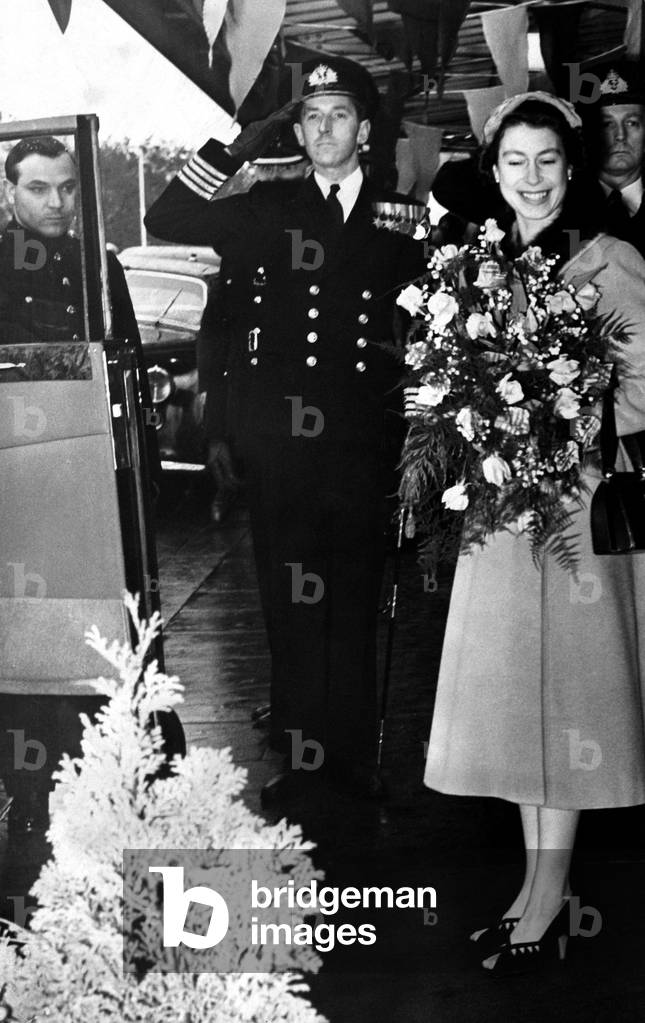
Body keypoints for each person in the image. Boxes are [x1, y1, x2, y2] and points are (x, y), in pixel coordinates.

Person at [145, 56, 425, 801]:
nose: (322, 128)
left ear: (364, 131)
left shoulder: (403, 222)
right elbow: (163, 217)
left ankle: (351, 761)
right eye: (309, 116)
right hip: (283, 449)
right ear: (294, 130)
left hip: (366, 447)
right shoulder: (268, 207)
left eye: (337, 114)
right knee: (293, 604)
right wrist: (240, 142)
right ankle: (304, 765)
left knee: (355, 601)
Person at [422, 93, 645, 974]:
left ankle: (549, 899)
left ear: (570, 165)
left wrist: (560, 417)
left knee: (568, 706)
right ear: (494, 171)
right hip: (502, 513)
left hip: (576, 513)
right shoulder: (482, 266)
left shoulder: (613, 260)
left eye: (547, 160)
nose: (531, 180)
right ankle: (531, 891)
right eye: (514, 162)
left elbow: (639, 394)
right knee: (521, 708)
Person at [431, 62, 645, 259]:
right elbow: (447, 186)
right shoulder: (547, 193)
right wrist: (503, 139)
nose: (620, 136)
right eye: (606, 124)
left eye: (632, 123)